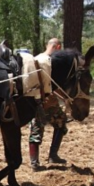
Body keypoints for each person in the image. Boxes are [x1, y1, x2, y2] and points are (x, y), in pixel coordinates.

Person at [29, 37, 68, 170]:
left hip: (36, 100)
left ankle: (45, 159)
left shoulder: (36, 58)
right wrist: (66, 98)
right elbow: (55, 86)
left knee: (58, 121)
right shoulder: (50, 62)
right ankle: (46, 158)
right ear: (57, 47)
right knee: (40, 128)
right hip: (46, 102)